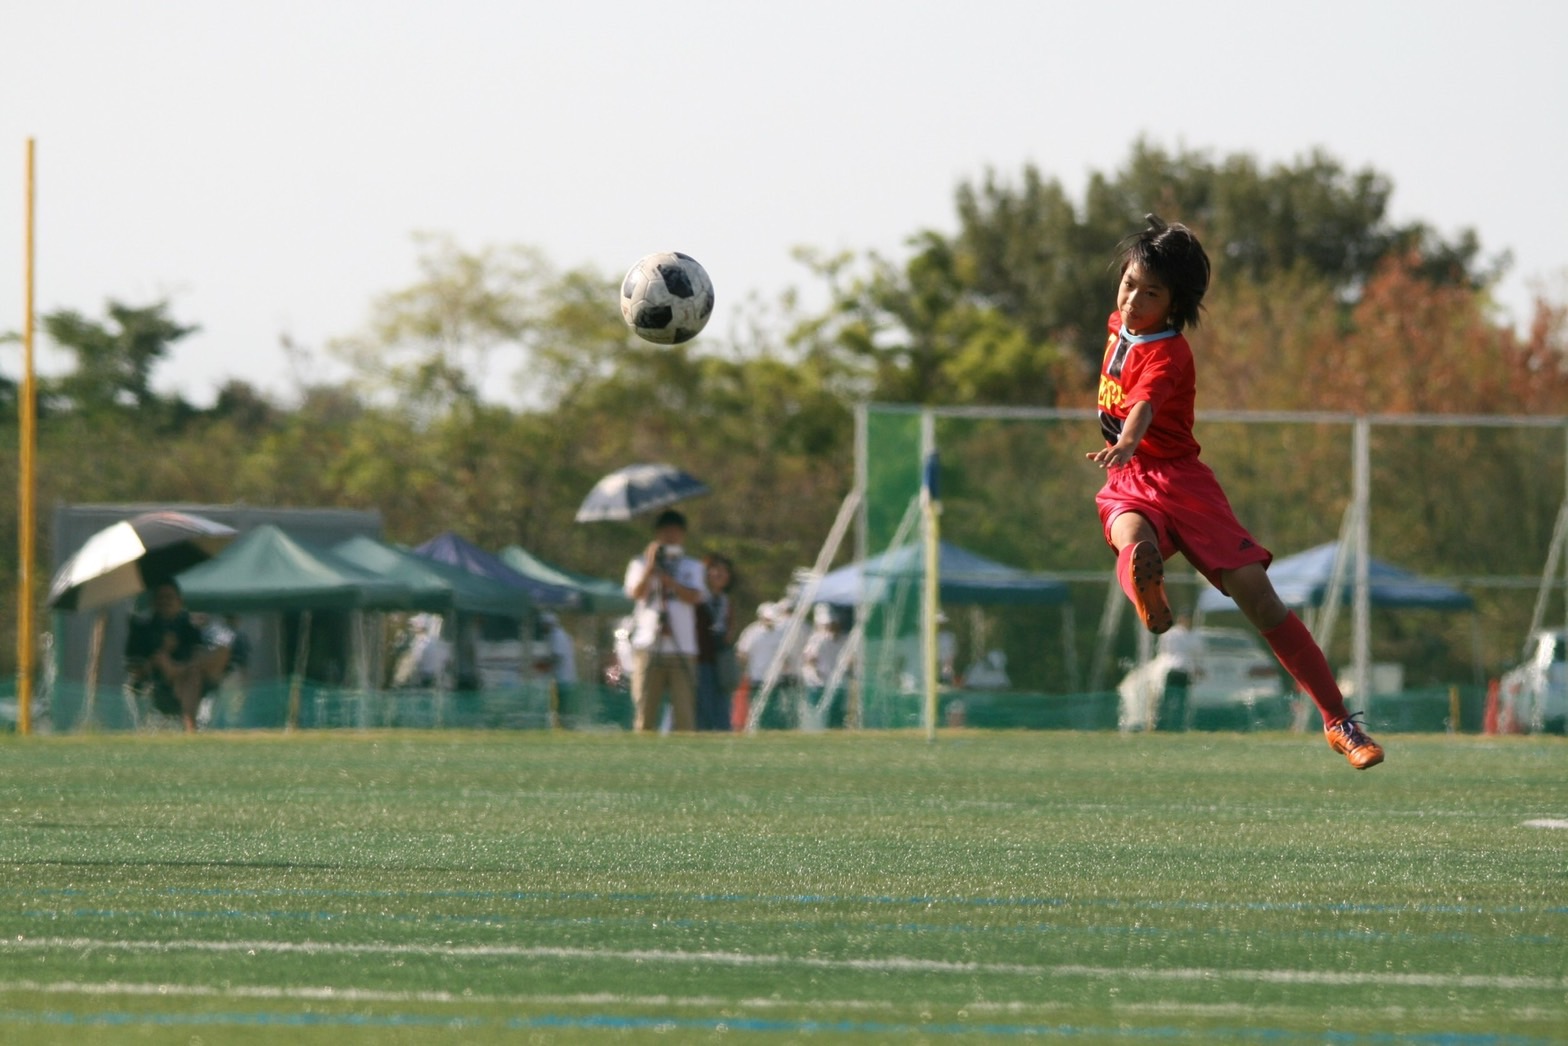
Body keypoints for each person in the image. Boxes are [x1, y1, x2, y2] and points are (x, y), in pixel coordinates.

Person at [1086, 214, 1383, 768]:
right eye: (1129, 284)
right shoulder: (1119, 325)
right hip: (1129, 480)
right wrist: (1126, 458)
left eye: (1150, 293)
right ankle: (1151, 596)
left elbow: (1146, 403)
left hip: (1181, 480)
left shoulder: (1168, 351)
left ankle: (1339, 721)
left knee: (1258, 594)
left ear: (1174, 305)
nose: (1132, 300)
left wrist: (1127, 439)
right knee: (1131, 534)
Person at [623, 509, 709, 733]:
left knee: (684, 714)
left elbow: (695, 597)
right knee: (645, 712)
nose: (671, 537)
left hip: (682, 646)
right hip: (648, 644)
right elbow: (636, 593)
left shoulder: (692, 566)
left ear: (683, 535)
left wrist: (671, 582)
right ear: (656, 535)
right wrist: (651, 568)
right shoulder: (639, 563)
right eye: (665, 532)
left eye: (675, 532)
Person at [123, 579, 233, 732]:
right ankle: (190, 726)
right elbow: (135, 669)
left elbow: (197, 654)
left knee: (214, 657)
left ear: (179, 601)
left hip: (188, 682)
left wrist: (178, 668)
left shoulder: (189, 628)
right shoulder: (142, 630)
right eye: (160, 597)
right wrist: (164, 650)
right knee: (167, 661)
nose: (165, 601)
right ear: (153, 602)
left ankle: (178, 673)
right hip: (157, 686)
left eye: (169, 597)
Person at [695, 554, 737, 732]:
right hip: (700, 658)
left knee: (722, 702)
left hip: (720, 659)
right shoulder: (697, 598)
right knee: (702, 703)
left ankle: (723, 733)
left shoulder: (725, 601)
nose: (721, 574)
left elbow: (729, 628)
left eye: (725, 571)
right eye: (716, 570)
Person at [802, 602, 849, 726]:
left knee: (837, 714)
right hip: (820, 682)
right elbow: (809, 658)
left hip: (838, 682)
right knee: (821, 713)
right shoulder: (817, 639)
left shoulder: (844, 639)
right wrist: (816, 672)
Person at [1156, 613, 1201, 731]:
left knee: (1181, 701)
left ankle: (1177, 726)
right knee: (1168, 699)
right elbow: (1164, 650)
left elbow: (1196, 654)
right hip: (1173, 668)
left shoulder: (1192, 635)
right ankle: (1162, 725)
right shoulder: (1172, 634)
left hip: (1185, 670)